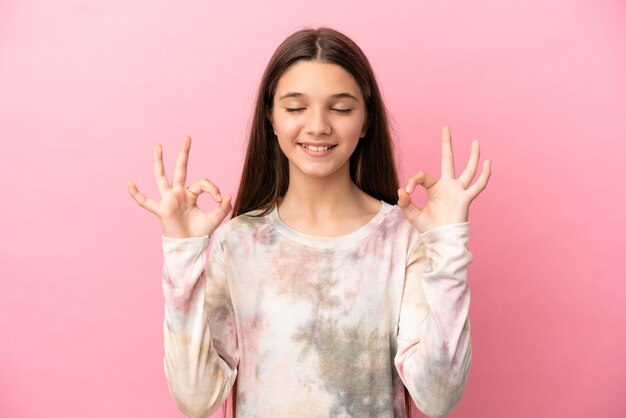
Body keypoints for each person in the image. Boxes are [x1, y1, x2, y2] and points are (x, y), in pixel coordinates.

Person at [127, 26, 491, 418]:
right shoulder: (239, 242)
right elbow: (196, 401)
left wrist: (449, 245)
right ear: (271, 117)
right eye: (296, 107)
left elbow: (438, 398)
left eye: (341, 108)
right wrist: (182, 256)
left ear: (366, 120)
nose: (318, 126)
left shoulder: (402, 239)